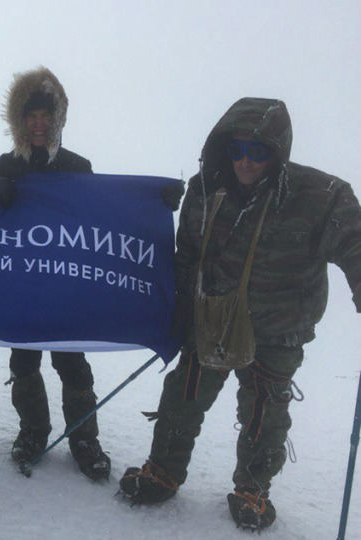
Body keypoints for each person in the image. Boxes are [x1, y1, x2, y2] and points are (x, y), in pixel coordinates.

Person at [119, 97, 361, 531]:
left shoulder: (321, 196)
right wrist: (178, 302)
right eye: (235, 151)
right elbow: (187, 251)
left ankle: (252, 489)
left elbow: (356, 244)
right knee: (183, 397)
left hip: (278, 328)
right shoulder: (206, 187)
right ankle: (163, 472)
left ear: (278, 150)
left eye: (258, 152)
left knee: (264, 414)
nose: (245, 163)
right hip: (211, 320)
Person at [0, 66, 112, 480]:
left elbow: (103, 222)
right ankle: (34, 431)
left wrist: (151, 203)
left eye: (46, 116)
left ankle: (84, 438)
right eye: (31, 116)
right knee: (24, 363)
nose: (39, 124)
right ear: (18, 120)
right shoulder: (1, 165)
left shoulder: (77, 167)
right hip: (19, 289)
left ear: (59, 119)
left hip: (65, 289)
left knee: (74, 366)